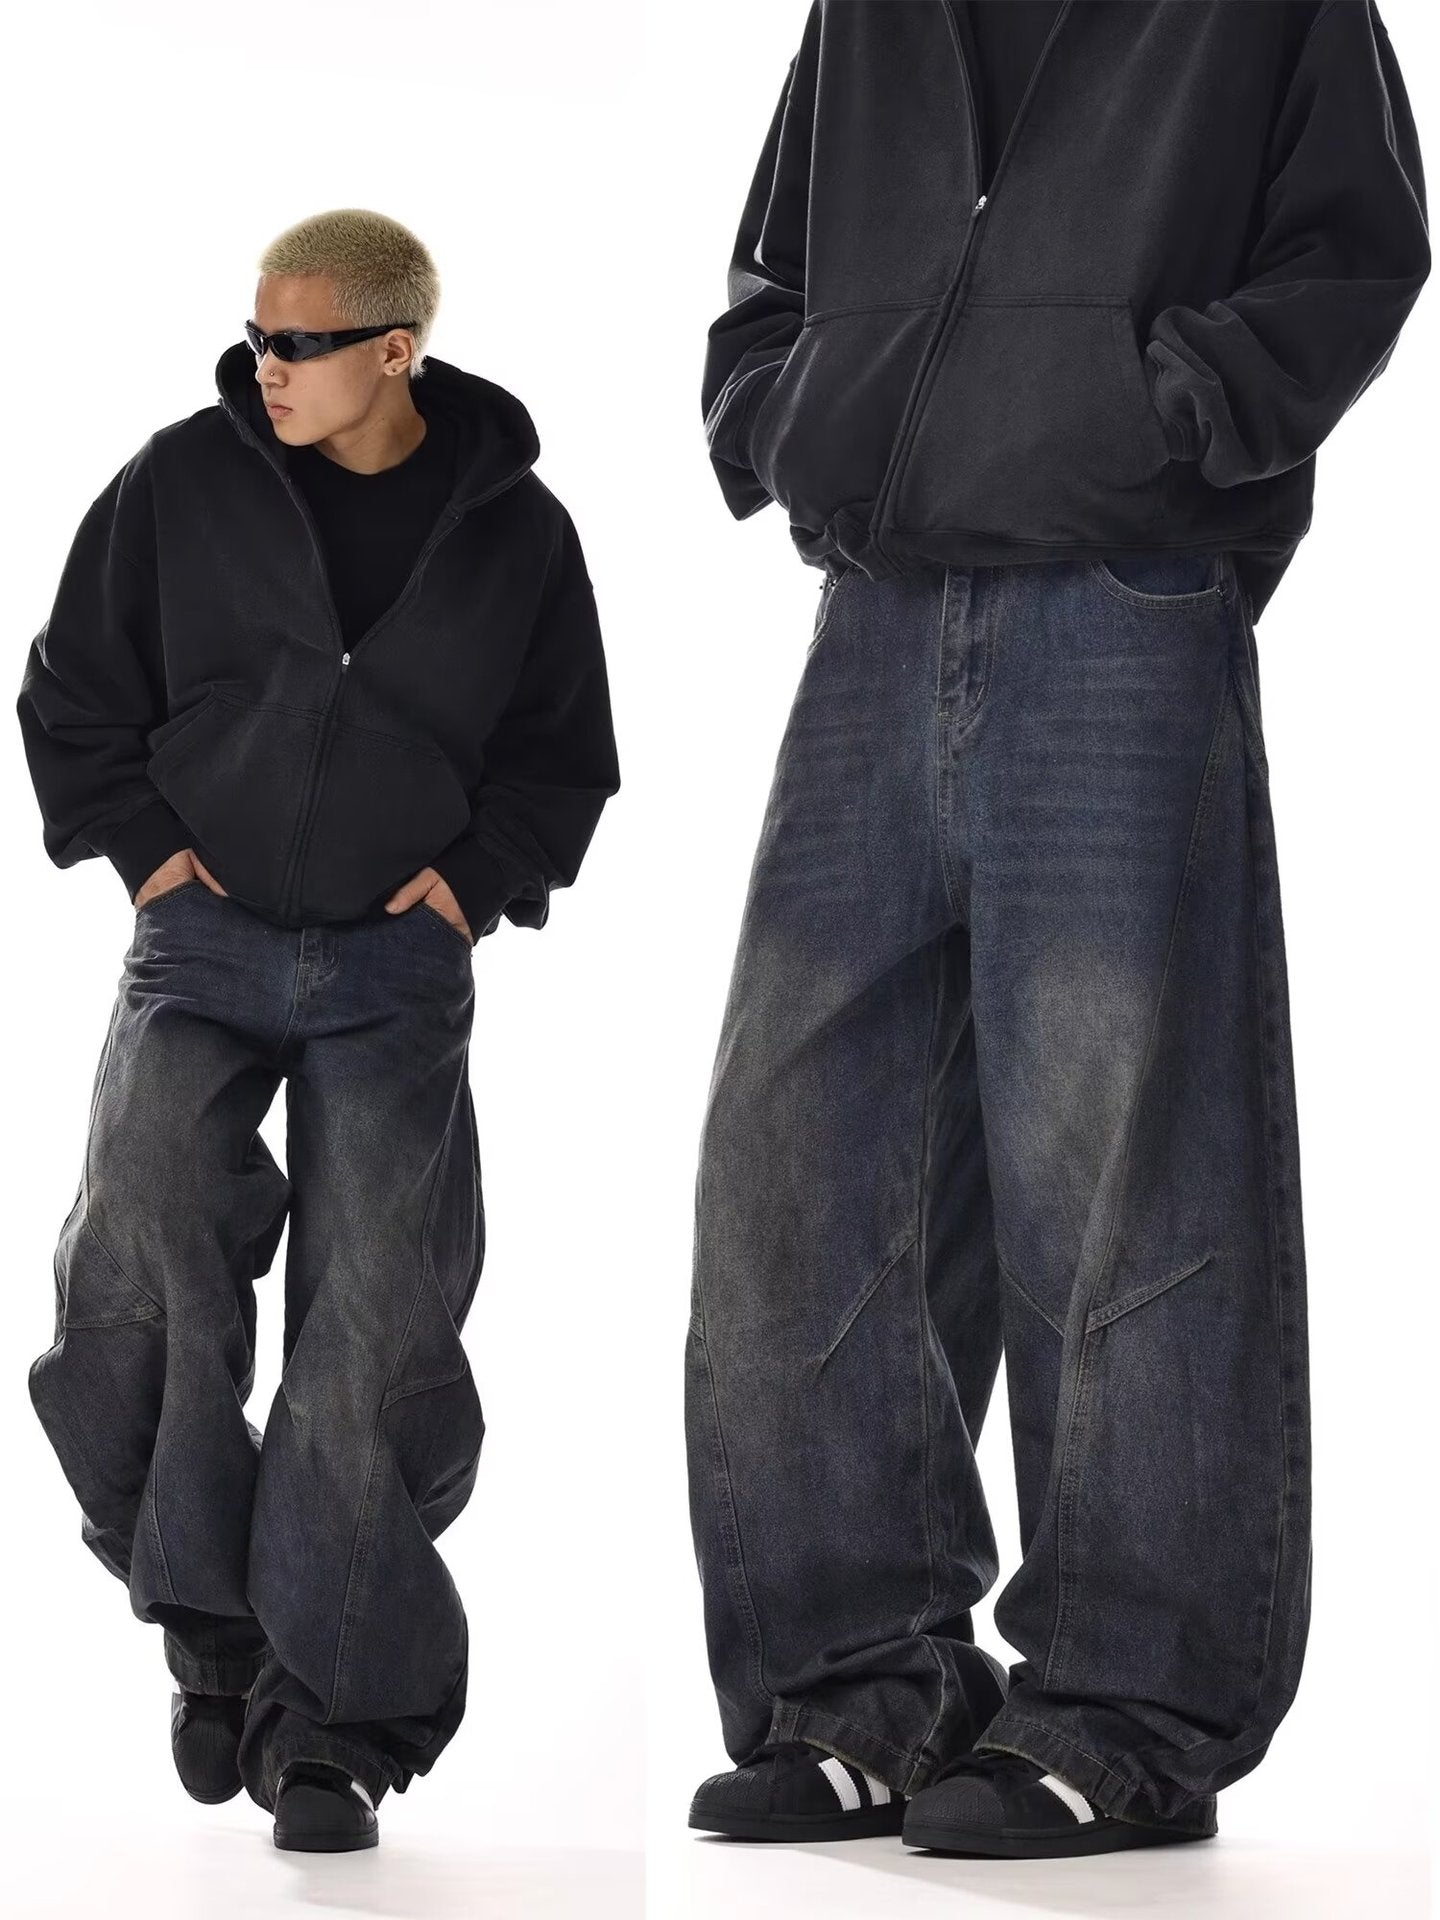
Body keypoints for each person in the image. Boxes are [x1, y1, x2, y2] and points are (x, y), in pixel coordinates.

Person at [685, 0, 1428, 1859]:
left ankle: (1126, 1710)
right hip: (877, 609)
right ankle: (862, 1688)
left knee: (1122, 1173)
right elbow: (769, 276)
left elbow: (1356, 249)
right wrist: (789, 420)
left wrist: (1162, 415)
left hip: (1123, 597)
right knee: (797, 1160)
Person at [17, 207, 619, 1851]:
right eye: (256, 338)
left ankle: (334, 1723)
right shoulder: (179, 482)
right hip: (200, 944)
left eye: (298, 344)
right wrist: (150, 859)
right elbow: (72, 690)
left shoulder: (517, 533)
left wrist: (469, 888)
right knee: (134, 1259)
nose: (265, 368)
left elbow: (565, 756)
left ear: (393, 351)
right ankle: (214, 1622)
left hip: (392, 973)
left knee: (373, 1329)